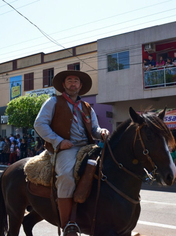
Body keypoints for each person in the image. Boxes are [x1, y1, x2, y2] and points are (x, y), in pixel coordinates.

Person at [34, 70, 109, 235]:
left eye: (76, 81)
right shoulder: (53, 102)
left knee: (109, 170)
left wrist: (102, 131)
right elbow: (39, 124)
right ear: (64, 85)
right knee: (66, 176)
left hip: (88, 147)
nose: (73, 83)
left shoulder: (87, 107)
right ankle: (68, 224)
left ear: (81, 86)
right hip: (67, 148)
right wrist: (58, 141)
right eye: (69, 80)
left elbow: (95, 129)